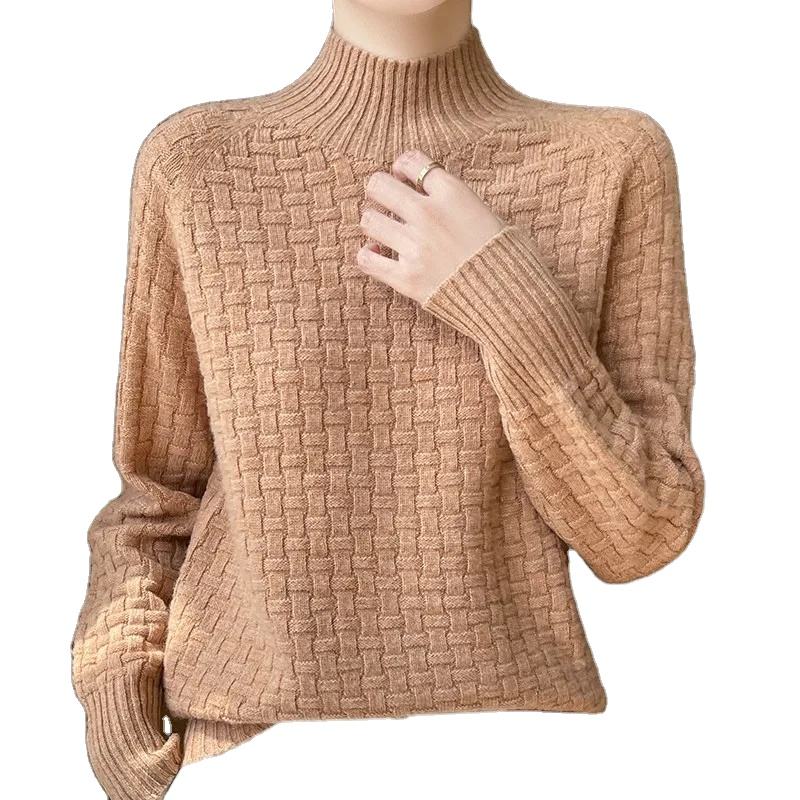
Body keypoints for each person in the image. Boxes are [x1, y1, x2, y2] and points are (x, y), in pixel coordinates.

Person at [70, 1, 705, 798]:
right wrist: (117, 704)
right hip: (259, 762)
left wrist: (506, 298)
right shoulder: (197, 165)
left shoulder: (612, 159)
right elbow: (157, 502)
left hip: (526, 764)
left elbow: (641, 533)